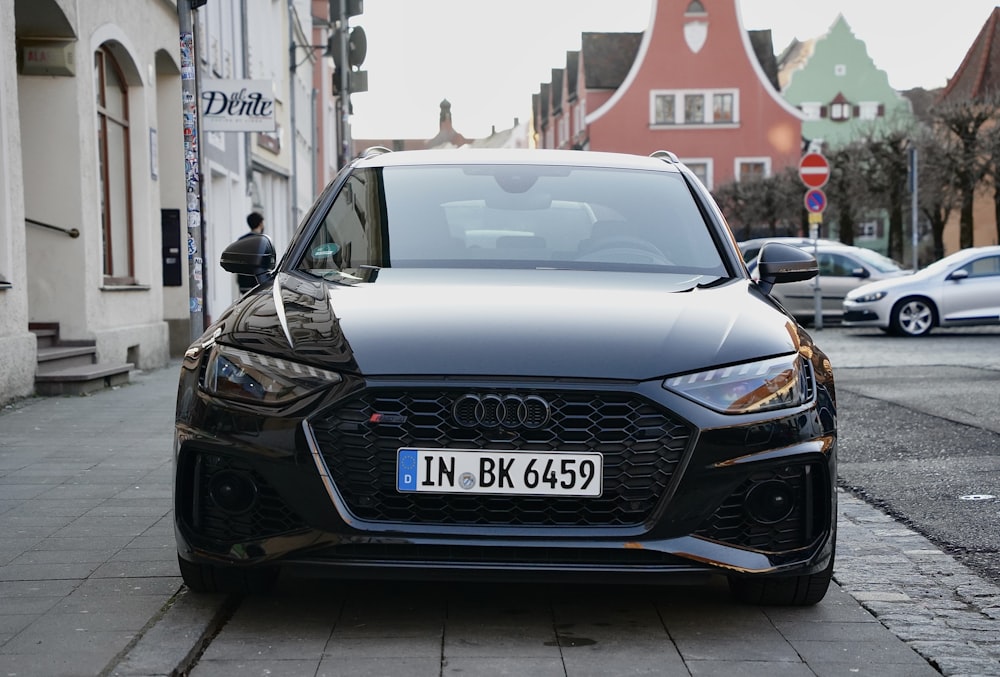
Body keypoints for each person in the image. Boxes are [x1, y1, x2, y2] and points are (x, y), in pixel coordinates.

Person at [236, 212, 265, 294]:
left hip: (244, 284)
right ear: (260, 224)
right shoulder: (262, 241)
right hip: (258, 284)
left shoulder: (241, 240)